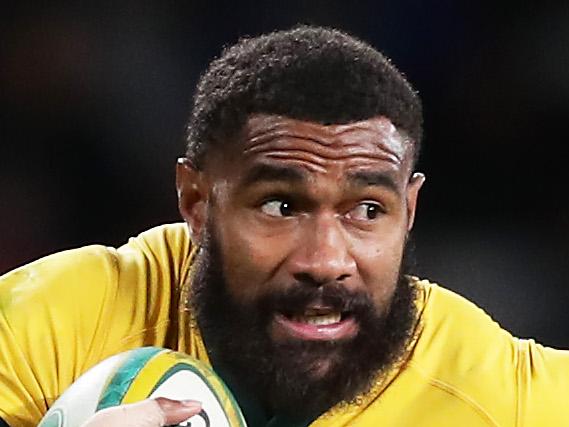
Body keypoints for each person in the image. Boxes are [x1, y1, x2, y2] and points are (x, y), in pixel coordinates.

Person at [1, 25, 568, 427]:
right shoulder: (66, 317)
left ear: (409, 211)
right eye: (280, 206)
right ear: (197, 203)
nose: (325, 260)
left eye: (367, 210)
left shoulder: (485, 382)